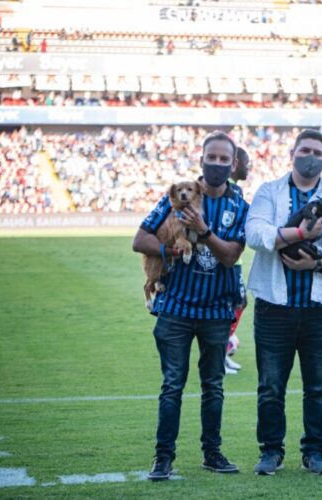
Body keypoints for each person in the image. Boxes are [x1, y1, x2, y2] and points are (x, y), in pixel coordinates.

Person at [132, 131, 249, 481]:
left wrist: (203, 230)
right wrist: (172, 251)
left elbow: (230, 257)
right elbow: (140, 240)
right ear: (201, 160)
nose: (216, 164)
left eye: (223, 159)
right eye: (210, 158)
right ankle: (163, 458)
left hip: (215, 312)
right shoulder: (173, 200)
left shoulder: (239, 206)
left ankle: (211, 453)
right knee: (172, 385)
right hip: (176, 310)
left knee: (213, 386)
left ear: (233, 164)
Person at [245, 129, 322, 475]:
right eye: (304, 150)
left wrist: (320, 262)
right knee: (270, 386)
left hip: (320, 308)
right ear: (292, 153)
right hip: (273, 305)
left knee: (318, 387)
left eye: (317, 152)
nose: (310, 156)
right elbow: (254, 233)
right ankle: (271, 451)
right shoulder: (270, 191)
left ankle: (314, 451)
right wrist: (299, 235)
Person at [225, 146, 250, 374]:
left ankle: (224, 349)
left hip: (235, 262)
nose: (248, 167)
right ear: (235, 164)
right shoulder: (231, 191)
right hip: (229, 263)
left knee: (240, 303)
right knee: (235, 304)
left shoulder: (235, 190)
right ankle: (222, 351)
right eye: (246, 162)